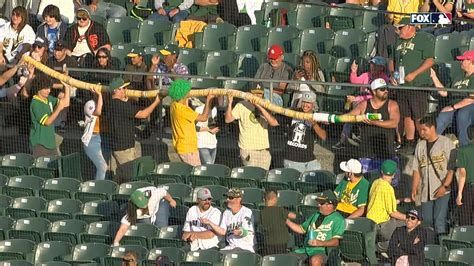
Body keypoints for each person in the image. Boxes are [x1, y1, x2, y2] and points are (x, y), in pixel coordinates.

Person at [390, 17, 435, 154]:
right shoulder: (397, 41)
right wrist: (392, 74)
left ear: (410, 27)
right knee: (406, 115)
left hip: (417, 84)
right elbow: (391, 60)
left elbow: (430, 60)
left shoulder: (423, 39)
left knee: (418, 115)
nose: (398, 30)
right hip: (402, 85)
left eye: (401, 28)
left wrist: (414, 74)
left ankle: (424, 142)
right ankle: (409, 143)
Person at [106, 78, 161, 182]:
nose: (125, 90)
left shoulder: (109, 103)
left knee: (119, 177)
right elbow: (143, 114)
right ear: (116, 90)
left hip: (116, 145)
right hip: (125, 147)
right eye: (123, 88)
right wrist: (156, 102)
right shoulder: (122, 105)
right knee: (130, 179)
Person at [411, 115, 455, 236]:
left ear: (433, 128)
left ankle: (440, 249)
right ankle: (428, 247)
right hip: (426, 191)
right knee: (427, 221)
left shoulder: (447, 143)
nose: (421, 132)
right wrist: (414, 188)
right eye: (420, 130)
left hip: (442, 189)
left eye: (424, 129)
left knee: (439, 221)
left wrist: (445, 187)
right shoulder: (420, 146)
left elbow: (451, 169)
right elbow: (416, 169)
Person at [286, 190, 345, 266]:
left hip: (322, 251)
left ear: (329, 205)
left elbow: (336, 242)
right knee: (287, 258)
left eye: (321, 203)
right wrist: (287, 221)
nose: (318, 205)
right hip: (306, 250)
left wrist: (320, 243)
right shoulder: (315, 215)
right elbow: (301, 229)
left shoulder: (338, 219)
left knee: (315, 260)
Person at [225, 88, 279, 170]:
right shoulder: (241, 105)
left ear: (263, 95)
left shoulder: (266, 104)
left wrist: (259, 106)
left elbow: (274, 123)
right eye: (255, 94)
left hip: (264, 151)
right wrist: (229, 103)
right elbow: (228, 119)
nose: (257, 96)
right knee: (252, 176)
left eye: (259, 94)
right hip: (248, 150)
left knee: (263, 179)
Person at [347, 78, 400, 160]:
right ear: (374, 91)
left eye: (386, 88)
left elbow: (394, 123)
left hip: (386, 153)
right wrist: (331, 118)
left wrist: (373, 122)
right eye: (382, 89)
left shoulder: (392, 104)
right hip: (367, 153)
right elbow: (348, 117)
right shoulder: (364, 104)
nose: (386, 91)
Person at [430, 50, 474, 147]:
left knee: (463, 113)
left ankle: (464, 147)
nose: (460, 62)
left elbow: (471, 98)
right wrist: (434, 77)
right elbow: (444, 92)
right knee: (443, 115)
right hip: (456, 107)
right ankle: (430, 145)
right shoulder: (458, 78)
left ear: (471, 61)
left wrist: (453, 107)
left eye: (463, 60)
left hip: (469, 107)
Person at [168, 80, 215, 166]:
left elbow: (185, 104)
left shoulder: (174, 105)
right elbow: (204, 118)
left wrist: (186, 98)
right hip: (188, 148)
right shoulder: (184, 110)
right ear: (184, 94)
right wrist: (208, 100)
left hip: (182, 146)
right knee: (195, 174)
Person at [113, 186, 177, 246]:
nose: (144, 206)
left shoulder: (155, 195)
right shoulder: (134, 212)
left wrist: (171, 200)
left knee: (161, 227)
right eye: (141, 206)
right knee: (148, 230)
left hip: (160, 204)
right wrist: (116, 242)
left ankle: (161, 246)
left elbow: (164, 192)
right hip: (145, 215)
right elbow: (123, 228)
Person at [366, 160, 406, 252]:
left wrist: (401, 200)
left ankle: (375, 248)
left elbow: (382, 201)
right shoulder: (388, 188)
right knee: (405, 226)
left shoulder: (376, 182)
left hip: (369, 222)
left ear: (381, 171)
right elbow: (393, 213)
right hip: (381, 225)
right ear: (394, 174)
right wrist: (408, 217)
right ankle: (378, 249)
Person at [200, 188, 255, 252]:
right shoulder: (226, 213)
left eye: (231, 197)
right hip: (230, 247)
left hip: (244, 248)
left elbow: (246, 232)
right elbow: (223, 231)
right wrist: (209, 223)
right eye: (227, 197)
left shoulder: (246, 212)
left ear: (239, 199)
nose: (227, 199)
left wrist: (240, 232)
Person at [283, 91, 327, 172]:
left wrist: (314, 124)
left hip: (310, 160)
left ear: (313, 104)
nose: (305, 105)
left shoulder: (316, 117)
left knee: (318, 175)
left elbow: (323, 136)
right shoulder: (293, 113)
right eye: (304, 102)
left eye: (309, 103)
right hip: (292, 158)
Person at [29, 73, 70, 157]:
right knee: (42, 168)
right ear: (38, 88)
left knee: (55, 167)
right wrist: (58, 108)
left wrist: (67, 86)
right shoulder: (36, 103)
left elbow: (66, 103)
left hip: (51, 142)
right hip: (40, 143)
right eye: (45, 88)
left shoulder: (49, 99)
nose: (49, 90)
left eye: (49, 87)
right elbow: (47, 122)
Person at [259, 190, 296, 256]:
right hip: (281, 242)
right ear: (274, 198)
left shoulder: (262, 212)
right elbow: (293, 216)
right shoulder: (280, 210)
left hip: (268, 242)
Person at [82, 88, 107, 180]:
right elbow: (97, 113)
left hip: (102, 138)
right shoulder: (90, 104)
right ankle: (97, 190)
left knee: (104, 167)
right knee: (102, 167)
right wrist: (99, 96)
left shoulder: (105, 104)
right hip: (91, 139)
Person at [191, 97, 219, 165]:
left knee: (208, 168)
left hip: (213, 144)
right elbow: (193, 127)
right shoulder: (199, 109)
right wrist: (208, 129)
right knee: (209, 167)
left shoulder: (214, 109)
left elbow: (213, 124)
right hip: (202, 144)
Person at [455, 129, 474, 226]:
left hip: (469, 188)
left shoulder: (463, 150)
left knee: (465, 217)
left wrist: (459, 193)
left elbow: (462, 174)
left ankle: (466, 239)